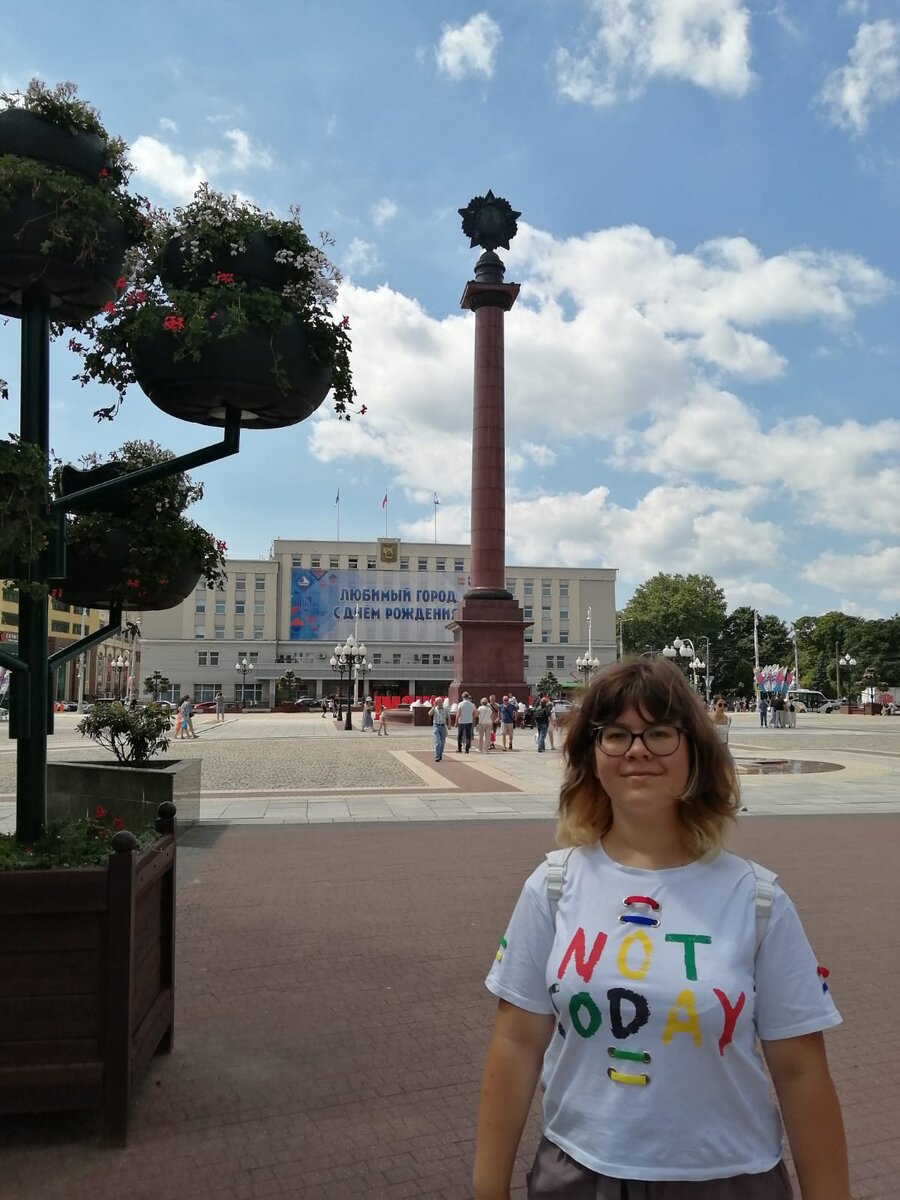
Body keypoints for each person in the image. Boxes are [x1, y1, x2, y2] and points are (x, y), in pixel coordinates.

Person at [474, 657, 848, 1200]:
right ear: (592, 758)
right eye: (616, 735)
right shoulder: (552, 888)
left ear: (694, 752)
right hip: (579, 1175)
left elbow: (801, 1073)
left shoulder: (757, 898)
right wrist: (487, 1189)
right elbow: (515, 1041)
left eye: (660, 733)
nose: (638, 750)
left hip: (727, 1179)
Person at [429, 696, 448, 762]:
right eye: (439, 702)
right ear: (436, 703)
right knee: (438, 742)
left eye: (441, 702)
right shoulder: (435, 709)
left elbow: (449, 717)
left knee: (442, 743)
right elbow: (429, 714)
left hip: (443, 727)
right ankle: (437, 756)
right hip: (436, 726)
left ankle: (440, 754)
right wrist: (434, 706)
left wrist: (450, 725)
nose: (441, 703)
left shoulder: (445, 709)